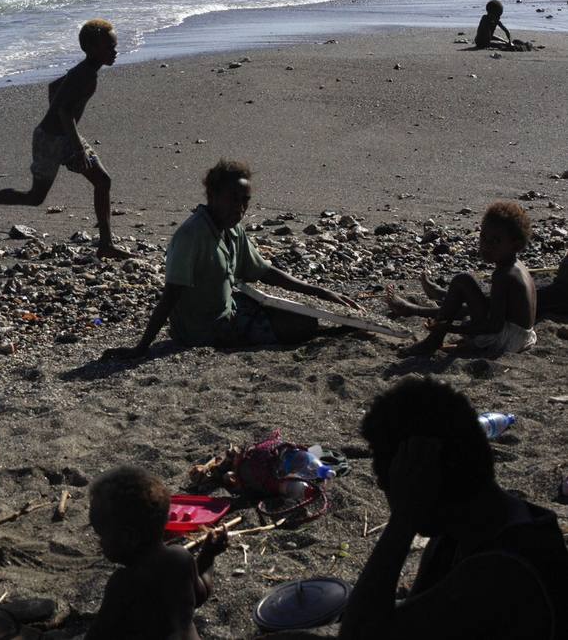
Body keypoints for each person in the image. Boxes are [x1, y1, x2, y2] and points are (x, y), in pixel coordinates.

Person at [340, 377, 568, 640]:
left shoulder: (502, 570)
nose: (382, 485)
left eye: (394, 475)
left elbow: (360, 633)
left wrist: (403, 521)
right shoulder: (461, 530)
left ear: (424, 476)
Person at [110, 159, 361, 360]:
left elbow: (263, 271)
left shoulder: (232, 230)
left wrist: (317, 291)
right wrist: (142, 347)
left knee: (297, 310)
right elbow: (170, 296)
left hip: (231, 308)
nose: (240, 209)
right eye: (233, 199)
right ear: (213, 195)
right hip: (205, 329)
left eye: (245, 202)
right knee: (301, 324)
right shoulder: (191, 236)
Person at [0, 19, 132, 260]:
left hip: (61, 135)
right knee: (35, 197)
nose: (114, 52)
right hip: (51, 139)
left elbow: (54, 88)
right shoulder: (85, 75)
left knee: (102, 181)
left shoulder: (84, 71)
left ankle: (106, 244)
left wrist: (65, 130)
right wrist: (76, 146)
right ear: (91, 49)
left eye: (114, 47)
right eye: (109, 47)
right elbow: (65, 112)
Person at [85, 465, 227, 639]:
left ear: (129, 537)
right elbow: (199, 595)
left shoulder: (123, 583)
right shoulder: (180, 558)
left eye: (102, 536)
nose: (100, 543)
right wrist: (208, 555)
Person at [387, 201, 537, 357]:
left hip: (508, 339)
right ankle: (433, 301)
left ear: (516, 244)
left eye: (495, 241)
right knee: (465, 287)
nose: (485, 245)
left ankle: (433, 339)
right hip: (522, 336)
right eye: (483, 237)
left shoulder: (504, 275)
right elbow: (496, 306)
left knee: (462, 281)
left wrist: (450, 328)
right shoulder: (515, 265)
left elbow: (494, 327)